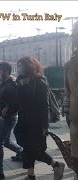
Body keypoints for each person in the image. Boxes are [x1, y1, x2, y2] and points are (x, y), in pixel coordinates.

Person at [17, 56, 64, 180]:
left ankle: (56, 165)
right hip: (24, 121)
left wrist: (44, 126)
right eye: (18, 66)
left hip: (36, 122)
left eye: (20, 66)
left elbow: (44, 106)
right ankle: (31, 176)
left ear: (28, 67)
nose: (18, 69)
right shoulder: (21, 82)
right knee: (27, 149)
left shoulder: (39, 81)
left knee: (35, 150)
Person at [0, 62, 23, 179]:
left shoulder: (12, 83)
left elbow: (15, 102)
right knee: (5, 141)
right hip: (4, 117)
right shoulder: (5, 83)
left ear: (5, 71)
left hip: (6, 118)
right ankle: (23, 153)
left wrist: (4, 115)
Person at [64, 21, 78, 177]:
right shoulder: (69, 65)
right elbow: (68, 93)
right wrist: (69, 114)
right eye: (74, 34)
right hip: (76, 123)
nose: (74, 37)